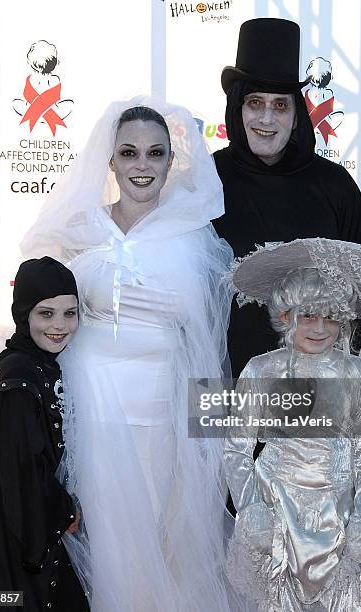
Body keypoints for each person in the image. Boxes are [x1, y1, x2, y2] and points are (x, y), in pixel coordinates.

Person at [20, 99, 238, 611]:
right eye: (129, 152)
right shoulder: (79, 230)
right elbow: (41, 305)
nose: (142, 165)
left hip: (163, 420)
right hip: (92, 413)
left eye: (155, 153)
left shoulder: (192, 238)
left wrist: (207, 446)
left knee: (163, 546)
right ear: (111, 162)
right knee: (104, 544)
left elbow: (205, 344)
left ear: (170, 163)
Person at [223, 238, 361, 611]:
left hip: (336, 515)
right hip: (276, 515)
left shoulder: (358, 375)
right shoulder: (262, 370)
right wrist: (251, 507)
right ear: (287, 316)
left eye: (331, 318)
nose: (320, 328)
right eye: (308, 316)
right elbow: (237, 448)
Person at [212, 18, 361, 376]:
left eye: (280, 105)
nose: (266, 118)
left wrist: (335, 377)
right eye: (255, 102)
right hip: (228, 395)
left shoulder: (334, 186)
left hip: (317, 401)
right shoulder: (208, 182)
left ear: (297, 113)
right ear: (238, 108)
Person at [0, 257, 88, 612]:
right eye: (46, 313)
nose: (60, 326)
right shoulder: (18, 379)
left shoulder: (38, 364)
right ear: (24, 314)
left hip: (28, 535)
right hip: (15, 548)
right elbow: (23, 474)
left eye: (70, 313)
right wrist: (66, 512)